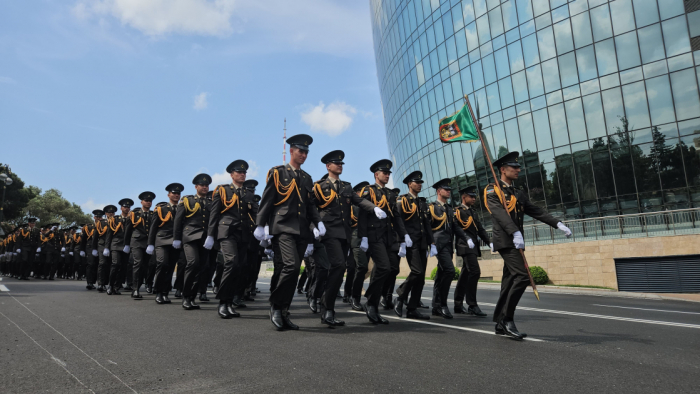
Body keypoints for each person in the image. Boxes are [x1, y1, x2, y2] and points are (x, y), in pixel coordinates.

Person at [485, 151, 571, 339]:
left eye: (518, 167)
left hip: (516, 242)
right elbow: (498, 213)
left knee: (508, 282)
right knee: (523, 277)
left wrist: (557, 223)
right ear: (502, 170)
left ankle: (500, 322)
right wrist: (514, 232)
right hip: (506, 240)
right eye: (514, 167)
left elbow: (535, 210)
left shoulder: (517, 193)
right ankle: (507, 319)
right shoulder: (492, 190)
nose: (518, 169)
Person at [255, 134, 323, 330]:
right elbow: (267, 200)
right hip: (282, 226)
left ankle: (284, 311)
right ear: (291, 151)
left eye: (306, 152)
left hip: (302, 230)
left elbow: (310, 207)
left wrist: (317, 224)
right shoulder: (278, 173)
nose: (304, 155)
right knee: (291, 267)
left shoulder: (307, 178)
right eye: (300, 151)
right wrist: (261, 224)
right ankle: (275, 307)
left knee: (292, 273)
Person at [309, 150, 383, 326]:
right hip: (328, 233)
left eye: (341, 163)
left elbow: (358, 201)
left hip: (344, 234)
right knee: (339, 266)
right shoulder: (319, 186)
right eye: (337, 163)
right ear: (328, 166)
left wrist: (373, 208)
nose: (340, 166)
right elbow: (309, 207)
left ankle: (327, 307)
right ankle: (327, 309)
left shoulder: (347, 187)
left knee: (337, 271)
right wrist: (314, 226)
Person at [357, 159, 410, 324]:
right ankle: (371, 303)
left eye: (388, 173)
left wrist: (404, 236)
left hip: (388, 237)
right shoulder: (368, 191)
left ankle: (372, 302)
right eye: (384, 173)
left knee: (388, 269)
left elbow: (397, 217)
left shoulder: (391, 194)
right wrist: (363, 236)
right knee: (384, 267)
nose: (387, 175)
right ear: (376, 174)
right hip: (374, 236)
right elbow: (362, 215)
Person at [208, 160, 256, 319]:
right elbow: (214, 214)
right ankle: (222, 302)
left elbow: (254, 215)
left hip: (243, 234)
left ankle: (229, 302)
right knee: (231, 262)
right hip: (227, 232)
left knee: (240, 267)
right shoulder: (222, 190)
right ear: (232, 174)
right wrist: (210, 235)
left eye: (244, 172)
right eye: (239, 172)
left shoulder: (248, 194)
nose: (242, 174)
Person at [393, 171, 435, 320]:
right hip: (410, 242)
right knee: (416, 272)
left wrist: (432, 243)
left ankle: (412, 308)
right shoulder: (402, 200)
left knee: (421, 277)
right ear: (409, 184)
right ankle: (400, 295)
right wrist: (402, 240)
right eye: (416, 182)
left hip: (422, 242)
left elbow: (427, 225)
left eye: (420, 182)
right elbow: (398, 221)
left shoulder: (422, 202)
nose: (419, 184)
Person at [429, 178, 471, 320]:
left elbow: (455, 227)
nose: (448, 191)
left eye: (449, 190)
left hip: (448, 245)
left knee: (441, 274)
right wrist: (431, 244)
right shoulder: (432, 207)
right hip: (438, 245)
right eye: (446, 189)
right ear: (438, 191)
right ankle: (442, 305)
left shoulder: (449, 208)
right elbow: (427, 227)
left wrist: (467, 237)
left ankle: (436, 306)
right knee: (449, 270)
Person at [173, 173, 212, 310]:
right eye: (202, 185)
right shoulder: (187, 200)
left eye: (207, 185)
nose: (205, 187)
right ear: (196, 186)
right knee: (192, 263)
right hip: (189, 237)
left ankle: (192, 297)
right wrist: (176, 238)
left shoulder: (211, 202)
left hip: (205, 238)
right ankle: (185, 295)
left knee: (202, 267)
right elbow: (178, 220)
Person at [453, 186, 491, 317]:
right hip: (465, 245)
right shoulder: (457, 211)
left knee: (465, 274)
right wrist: (467, 238)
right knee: (475, 272)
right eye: (471, 196)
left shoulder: (473, 212)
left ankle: (458, 304)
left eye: (474, 196)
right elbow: (457, 228)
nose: (474, 198)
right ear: (464, 197)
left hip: (473, 247)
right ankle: (472, 305)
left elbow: (480, 229)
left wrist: (490, 242)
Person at [149, 183, 183, 304]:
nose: (176, 195)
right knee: (162, 264)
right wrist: (150, 243)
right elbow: (153, 227)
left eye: (178, 193)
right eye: (174, 193)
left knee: (170, 267)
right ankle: (158, 291)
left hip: (175, 242)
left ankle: (165, 292)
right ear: (168, 194)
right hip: (162, 240)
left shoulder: (182, 208)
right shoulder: (161, 209)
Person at [123, 192, 155, 299]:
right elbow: (128, 230)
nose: (148, 202)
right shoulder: (134, 214)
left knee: (145, 266)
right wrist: (126, 244)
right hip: (136, 242)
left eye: (150, 201)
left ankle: (139, 284)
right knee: (138, 263)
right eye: (146, 201)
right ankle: (135, 289)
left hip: (148, 243)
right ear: (141, 202)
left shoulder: (153, 214)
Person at [348, 181, 370, 311]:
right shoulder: (353, 207)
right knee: (360, 267)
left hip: (368, 238)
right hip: (356, 239)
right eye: (362, 191)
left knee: (369, 268)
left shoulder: (367, 205)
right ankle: (354, 297)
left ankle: (369, 295)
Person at [106, 199, 132, 295]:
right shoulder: (115, 219)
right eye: (125, 207)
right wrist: (107, 247)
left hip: (126, 246)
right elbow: (109, 234)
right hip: (116, 245)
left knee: (123, 267)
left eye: (128, 207)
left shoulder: (131, 219)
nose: (127, 208)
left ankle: (117, 287)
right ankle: (110, 285)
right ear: (121, 208)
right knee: (115, 264)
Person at [80, 215, 100, 289]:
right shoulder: (89, 227)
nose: (98, 218)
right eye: (97, 217)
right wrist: (82, 249)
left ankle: (98, 282)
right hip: (90, 247)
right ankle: (89, 282)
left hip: (100, 246)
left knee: (98, 265)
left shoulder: (104, 225)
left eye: (100, 217)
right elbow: (84, 239)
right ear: (94, 217)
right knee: (90, 264)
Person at [95, 207, 112, 292]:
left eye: (112, 212)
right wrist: (94, 248)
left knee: (110, 264)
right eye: (109, 212)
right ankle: (100, 284)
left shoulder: (117, 221)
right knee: (102, 263)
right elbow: (95, 236)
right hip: (102, 245)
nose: (111, 214)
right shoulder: (101, 223)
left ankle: (107, 283)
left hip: (112, 245)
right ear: (106, 213)